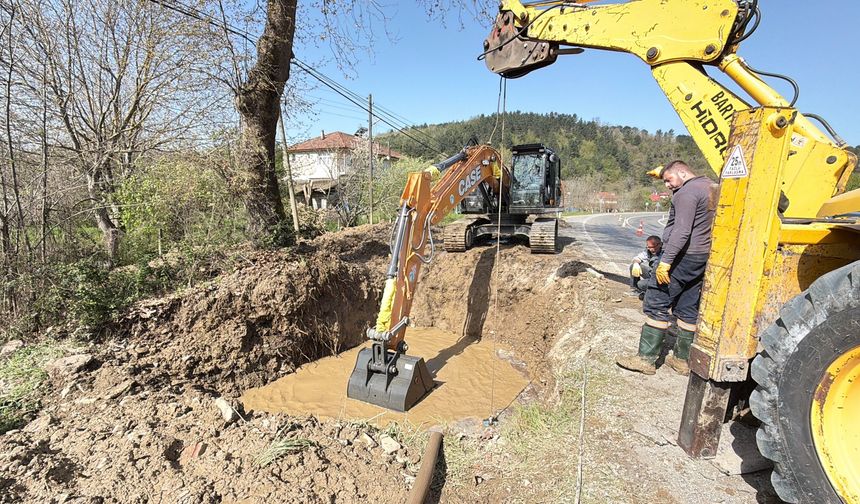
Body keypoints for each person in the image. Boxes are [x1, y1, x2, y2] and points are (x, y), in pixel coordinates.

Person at [616, 161, 717, 376]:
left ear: (682, 172)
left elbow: (681, 231)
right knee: (688, 307)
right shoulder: (710, 186)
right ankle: (682, 360)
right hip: (701, 257)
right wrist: (663, 172)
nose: (667, 186)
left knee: (656, 301)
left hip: (682, 257)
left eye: (668, 180)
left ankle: (646, 360)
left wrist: (666, 261)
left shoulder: (686, 193)